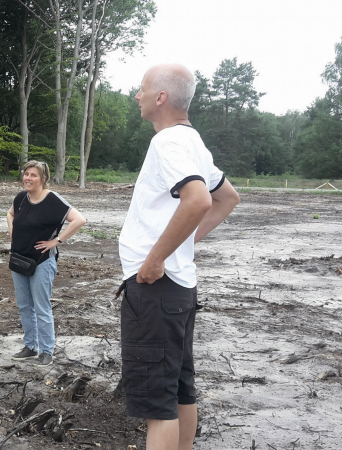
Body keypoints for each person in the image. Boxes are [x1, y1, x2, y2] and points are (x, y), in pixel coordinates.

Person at [118, 64, 240, 450]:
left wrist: (157, 259)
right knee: (180, 390)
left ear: (161, 97)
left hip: (156, 289)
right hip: (178, 290)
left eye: (141, 89)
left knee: (158, 404)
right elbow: (227, 198)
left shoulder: (168, 142)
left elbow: (200, 199)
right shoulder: (194, 143)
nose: (136, 95)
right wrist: (182, 244)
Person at [6, 161, 85, 366]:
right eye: (26, 174)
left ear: (43, 179)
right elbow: (10, 214)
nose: (28, 178)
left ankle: (47, 350)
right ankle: (30, 346)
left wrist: (56, 241)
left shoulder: (53, 200)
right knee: (24, 305)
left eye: (33, 175)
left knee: (41, 306)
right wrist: (13, 233)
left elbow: (79, 220)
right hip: (19, 260)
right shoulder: (21, 198)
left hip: (42, 261)